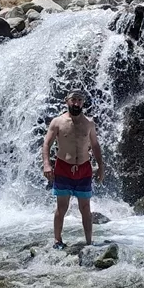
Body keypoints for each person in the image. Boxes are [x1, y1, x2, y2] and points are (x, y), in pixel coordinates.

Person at [41, 90, 105, 248]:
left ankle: (89, 242)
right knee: (62, 206)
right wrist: (47, 164)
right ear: (66, 101)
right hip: (63, 167)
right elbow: (47, 144)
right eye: (73, 100)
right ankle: (57, 240)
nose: (76, 103)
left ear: (83, 103)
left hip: (84, 168)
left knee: (85, 208)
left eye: (80, 100)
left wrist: (101, 166)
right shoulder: (57, 122)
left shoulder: (89, 123)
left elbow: (95, 145)